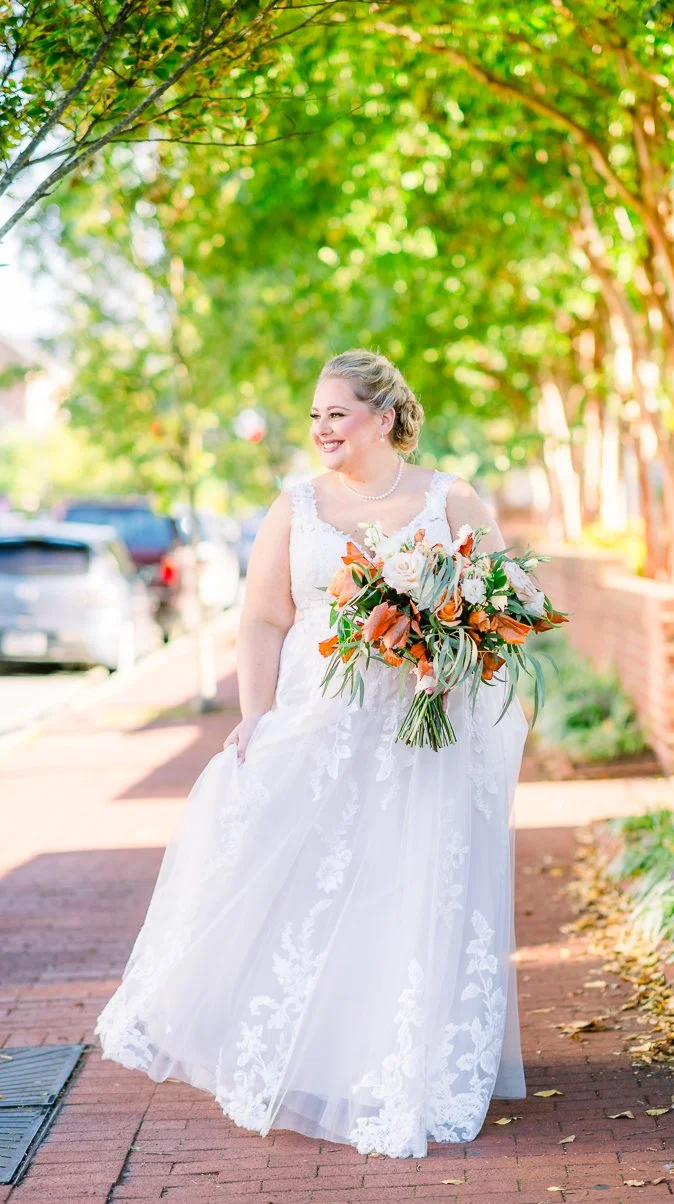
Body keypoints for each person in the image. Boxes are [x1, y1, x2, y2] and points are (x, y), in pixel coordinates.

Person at [95, 348, 529, 1159]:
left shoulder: (450, 498)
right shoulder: (293, 506)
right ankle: (311, 1051)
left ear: (387, 417)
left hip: (418, 734)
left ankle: (402, 1067)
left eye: (338, 413)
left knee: (407, 886)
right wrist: (254, 717)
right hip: (317, 726)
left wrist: (449, 646)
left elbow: (501, 606)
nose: (323, 429)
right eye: (315, 416)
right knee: (300, 880)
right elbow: (262, 619)